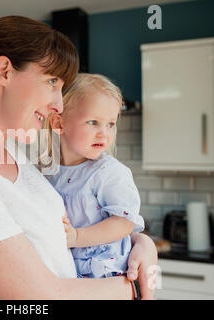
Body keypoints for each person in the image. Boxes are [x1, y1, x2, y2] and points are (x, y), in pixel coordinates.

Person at [0, 15, 157, 300]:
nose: (59, 104)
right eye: (52, 81)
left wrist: (142, 243)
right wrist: (136, 287)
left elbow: (55, 241)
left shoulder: (15, 155)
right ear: (4, 71)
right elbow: (41, 298)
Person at [41, 73, 145, 280]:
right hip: (69, 274)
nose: (104, 133)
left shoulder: (109, 172)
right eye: (93, 122)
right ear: (59, 124)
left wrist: (77, 237)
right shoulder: (48, 173)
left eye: (110, 124)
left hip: (106, 274)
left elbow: (124, 222)